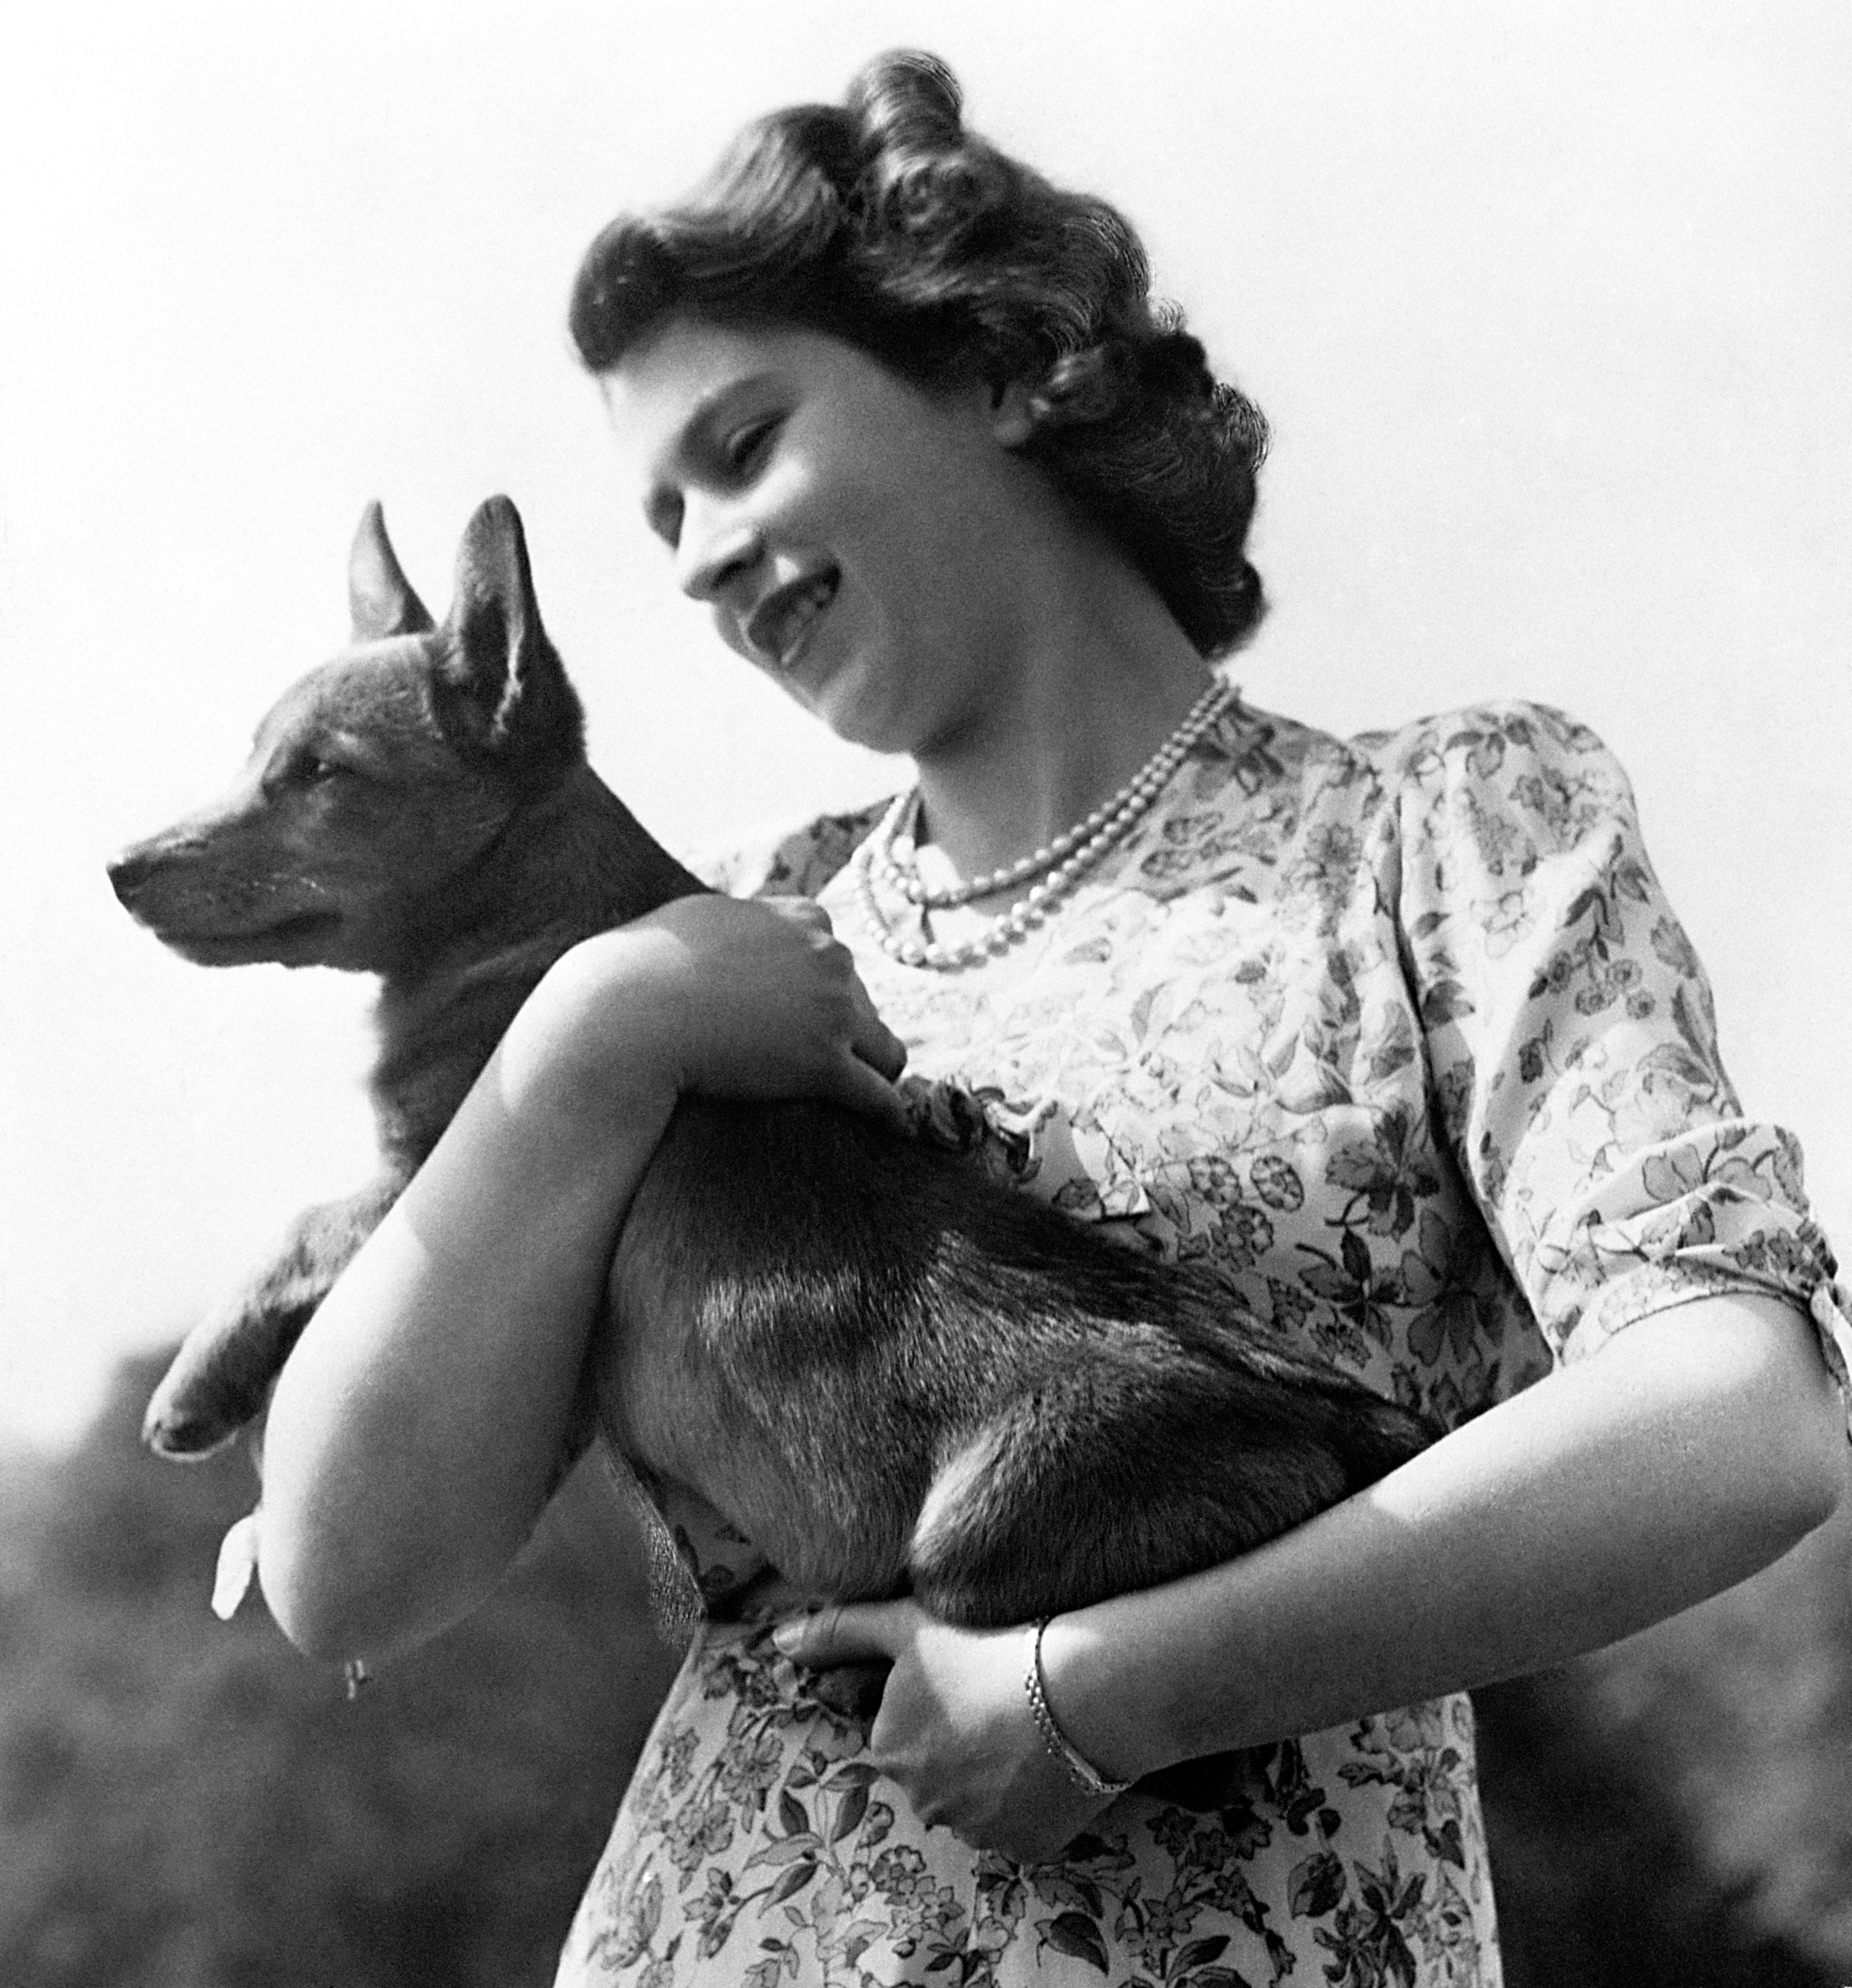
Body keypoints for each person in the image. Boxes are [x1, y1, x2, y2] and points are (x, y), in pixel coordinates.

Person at [256, 51, 1852, 1987]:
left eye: (744, 443)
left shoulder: (1442, 831)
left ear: (1010, 367)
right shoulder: (706, 943)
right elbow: (349, 1575)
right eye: (661, 511)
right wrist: (589, 1030)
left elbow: (1742, 1419)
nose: (692, 558)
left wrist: (1110, 1684)